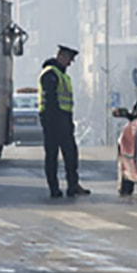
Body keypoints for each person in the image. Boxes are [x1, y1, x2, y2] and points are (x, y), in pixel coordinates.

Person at [39, 44, 90, 198]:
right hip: (54, 120)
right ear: (60, 56)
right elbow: (50, 100)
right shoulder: (50, 74)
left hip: (62, 119)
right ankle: (55, 188)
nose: (69, 63)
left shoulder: (61, 74)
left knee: (70, 154)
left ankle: (72, 185)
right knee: (53, 155)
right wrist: (57, 121)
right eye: (68, 59)